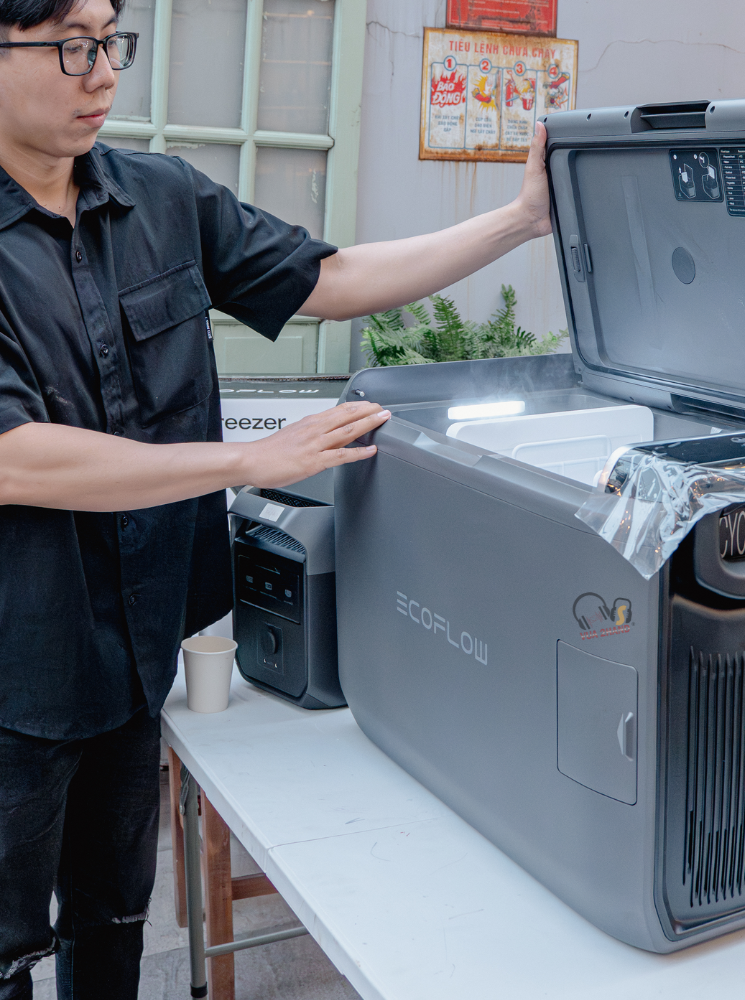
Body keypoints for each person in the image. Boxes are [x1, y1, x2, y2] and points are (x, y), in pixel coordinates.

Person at [0, 1, 552, 996]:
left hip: (134, 654)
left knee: (112, 920)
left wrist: (518, 220)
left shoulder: (161, 197)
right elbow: (15, 459)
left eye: (113, 40)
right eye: (72, 45)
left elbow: (330, 278)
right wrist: (246, 460)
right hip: (17, 668)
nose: (104, 73)